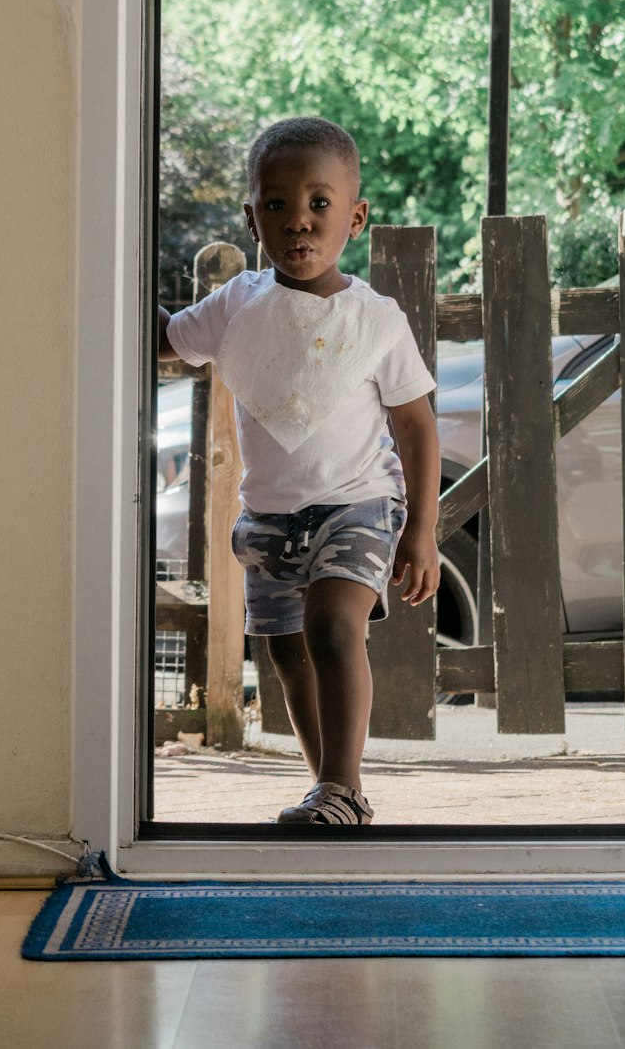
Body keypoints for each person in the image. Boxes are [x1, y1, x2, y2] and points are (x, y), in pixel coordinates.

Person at [158, 116, 440, 825]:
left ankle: (341, 785)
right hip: (270, 515)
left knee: (332, 629)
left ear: (356, 215)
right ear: (251, 216)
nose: (299, 222)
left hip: (358, 505)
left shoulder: (377, 320)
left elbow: (416, 423)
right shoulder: (235, 306)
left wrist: (422, 529)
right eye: (277, 205)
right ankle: (333, 792)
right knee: (286, 655)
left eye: (320, 203)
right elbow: (167, 341)